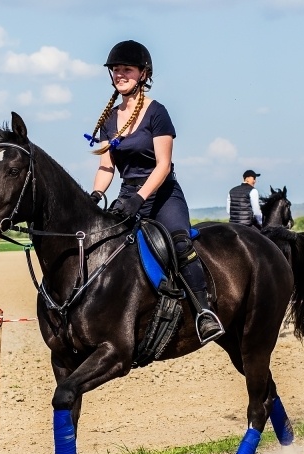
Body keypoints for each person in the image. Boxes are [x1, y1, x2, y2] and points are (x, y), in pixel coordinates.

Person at [86, 40, 223, 344]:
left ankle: (203, 312)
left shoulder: (157, 112)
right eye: (116, 70)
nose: (120, 74)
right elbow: (107, 167)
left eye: (127, 70)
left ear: (143, 74)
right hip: (127, 196)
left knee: (180, 243)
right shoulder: (109, 120)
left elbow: (162, 166)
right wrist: (95, 196)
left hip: (162, 195)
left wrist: (139, 199)